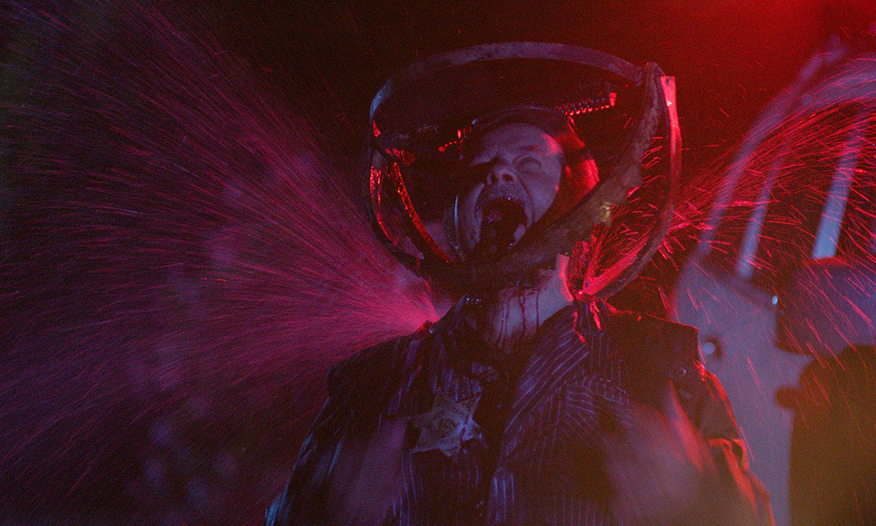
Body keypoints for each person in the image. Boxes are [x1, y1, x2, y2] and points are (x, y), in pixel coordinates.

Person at [266, 106, 773, 525]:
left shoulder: (659, 364)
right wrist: (321, 514)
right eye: (479, 167)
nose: (497, 173)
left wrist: (700, 501)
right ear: (456, 219)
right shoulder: (376, 383)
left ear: (579, 205)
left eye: (528, 163)